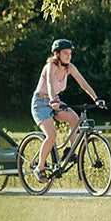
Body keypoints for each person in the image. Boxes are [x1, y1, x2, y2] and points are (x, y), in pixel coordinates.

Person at [29, 39, 103, 179]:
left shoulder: (70, 67)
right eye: (65, 53)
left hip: (55, 100)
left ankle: (70, 152)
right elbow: (50, 84)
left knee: (75, 119)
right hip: (40, 102)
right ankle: (39, 168)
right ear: (57, 54)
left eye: (70, 53)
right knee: (51, 135)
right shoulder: (51, 66)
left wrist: (96, 98)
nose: (69, 56)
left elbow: (83, 84)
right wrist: (53, 100)